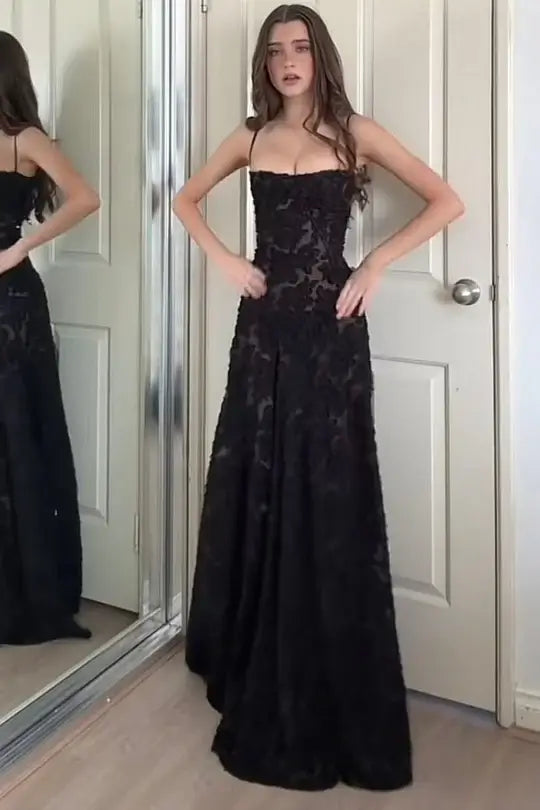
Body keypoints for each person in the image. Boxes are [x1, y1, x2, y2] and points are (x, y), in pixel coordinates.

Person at [173, 3, 464, 792]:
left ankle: (323, 663)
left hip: (332, 330)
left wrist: (374, 264)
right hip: (263, 330)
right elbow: (184, 200)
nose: (287, 60)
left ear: (319, 56)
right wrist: (226, 259)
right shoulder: (249, 136)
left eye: (299, 47)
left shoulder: (354, 131)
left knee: (329, 488)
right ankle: (251, 649)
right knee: (260, 475)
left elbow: (446, 200)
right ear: (265, 64)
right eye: (275, 50)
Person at [0, 32, 100, 644]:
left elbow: (86, 198)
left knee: (18, 432)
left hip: (11, 304)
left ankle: (29, 591)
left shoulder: (25, 140)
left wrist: (20, 248)